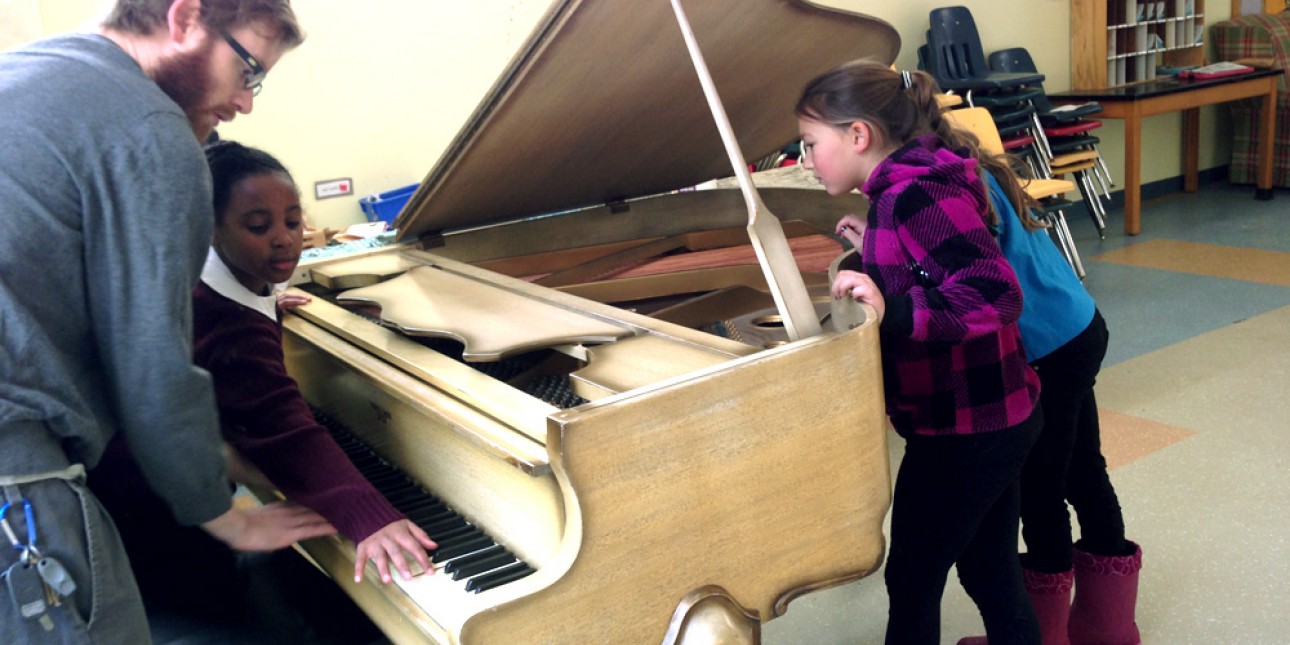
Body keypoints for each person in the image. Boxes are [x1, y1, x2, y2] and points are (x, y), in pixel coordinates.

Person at [0, 1, 321, 643]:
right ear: (185, 18)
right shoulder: (150, 127)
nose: (245, 102)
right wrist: (224, 513)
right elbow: (154, 366)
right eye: (247, 68)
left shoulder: (33, 69)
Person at [91, 140, 439, 642]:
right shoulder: (226, 321)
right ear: (209, 228)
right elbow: (280, 426)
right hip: (144, 507)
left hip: (151, 474)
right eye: (258, 226)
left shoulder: (207, 279)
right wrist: (368, 517)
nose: (284, 240)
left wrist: (270, 300)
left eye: (293, 221)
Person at [798, 60, 1044, 645]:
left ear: (859, 136)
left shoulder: (914, 195)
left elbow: (993, 291)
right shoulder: (902, 192)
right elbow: (933, 266)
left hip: (967, 429)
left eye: (811, 145)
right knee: (989, 570)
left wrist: (896, 309)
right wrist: (878, 255)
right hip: (994, 414)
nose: (806, 162)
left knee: (913, 577)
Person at [957, 173, 1142, 645]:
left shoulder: (942, 187)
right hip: (1077, 325)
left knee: (1041, 490)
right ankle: (1109, 629)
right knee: (1083, 470)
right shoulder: (973, 165)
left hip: (1046, 348)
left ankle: (1048, 636)